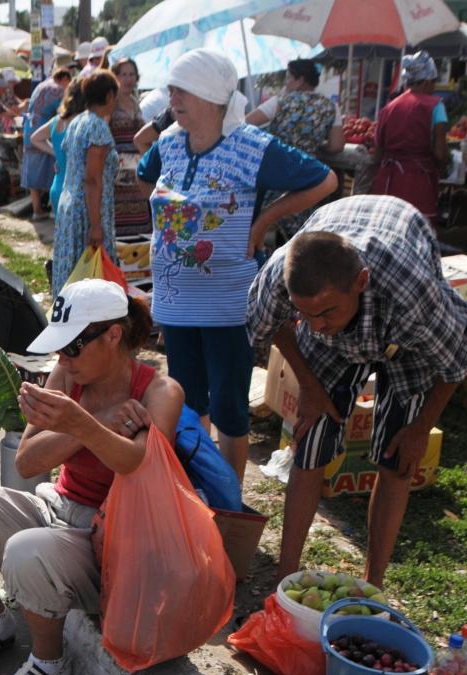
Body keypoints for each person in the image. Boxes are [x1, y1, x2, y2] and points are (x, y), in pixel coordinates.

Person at [0, 278, 184, 675]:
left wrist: (81, 425)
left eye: (72, 348)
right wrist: (93, 421)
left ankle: (49, 661)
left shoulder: (160, 392)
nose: (62, 360)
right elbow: (27, 461)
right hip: (55, 510)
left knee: (26, 551)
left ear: (113, 335)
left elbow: (139, 466)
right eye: (60, 348)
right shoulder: (66, 375)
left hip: (112, 543)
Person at [247, 196, 467, 586]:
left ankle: (374, 586)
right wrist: (308, 383)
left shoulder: (411, 294)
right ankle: (283, 581)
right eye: (304, 314)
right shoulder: (278, 277)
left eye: (326, 313)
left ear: (361, 282)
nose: (316, 326)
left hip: (404, 337)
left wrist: (421, 427)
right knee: (310, 441)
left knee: (398, 458)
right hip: (345, 305)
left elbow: (460, 358)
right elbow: (266, 327)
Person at [136, 49, 337, 483]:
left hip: (229, 299)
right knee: (187, 400)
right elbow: (145, 173)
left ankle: (229, 499)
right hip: (175, 299)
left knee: (228, 403)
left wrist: (264, 220)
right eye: (171, 89)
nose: (172, 97)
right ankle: (193, 487)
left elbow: (325, 179)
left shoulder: (251, 146)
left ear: (211, 94)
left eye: (181, 89)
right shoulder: (169, 141)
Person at [51, 71, 120, 295]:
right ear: (109, 96)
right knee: (91, 280)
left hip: (70, 205)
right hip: (87, 211)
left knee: (73, 273)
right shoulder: (98, 127)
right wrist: (96, 224)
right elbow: (92, 178)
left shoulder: (77, 122)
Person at [371, 51, 449, 223]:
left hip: (387, 180)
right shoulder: (435, 106)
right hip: (418, 180)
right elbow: (440, 153)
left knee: (387, 226)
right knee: (417, 231)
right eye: (434, 82)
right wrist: (444, 168)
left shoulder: (388, 107)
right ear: (428, 80)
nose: (434, 87)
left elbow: (377, 152)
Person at [246, 59, 345, 156]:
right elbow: (337, 146)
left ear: (300, 81)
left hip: (276, 164)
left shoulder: (280, 102)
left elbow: (243, 124)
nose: (286, 82)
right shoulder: (331, 106)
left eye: (288, 77)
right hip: (308, 168)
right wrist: (317, 147)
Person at [30, 78, 86, 228]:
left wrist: (56, 152)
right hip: (77, 192)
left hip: (57, 188)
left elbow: (35, 138)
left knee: (63, 242)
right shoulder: (83, 122)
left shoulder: (57, 120)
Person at [21, 67, 72, 220]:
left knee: (32, 171)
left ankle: (37, 210)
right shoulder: (57, 89)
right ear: (63, 79)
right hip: (44, 127)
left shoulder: (41, 85)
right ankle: (51, 208)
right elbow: (64, 111)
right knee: (53, 169)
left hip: (30, 127)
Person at [109, 58, 151, 236]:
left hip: (136, 175)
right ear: (115, 77)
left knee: (140, 221)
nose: (128, 79)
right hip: (116, 174)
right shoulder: (110, 103)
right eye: (123, 74)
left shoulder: (135, 102)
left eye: (132, 74)